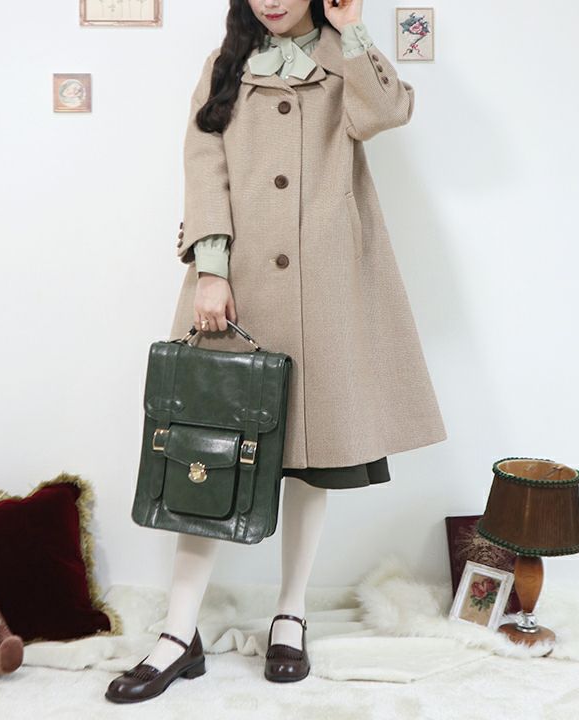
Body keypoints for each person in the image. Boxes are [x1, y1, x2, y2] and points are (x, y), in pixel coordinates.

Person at [105, 0, 447, 703]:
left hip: (326, 289)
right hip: (238, 287)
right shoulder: (226, 64)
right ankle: (178, 632)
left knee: (312, 457)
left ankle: (290, 615)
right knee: (203, 454)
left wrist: (352, 29)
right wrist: (210, 268)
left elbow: (385, 114)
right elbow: (203, 165)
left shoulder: (342, 59)